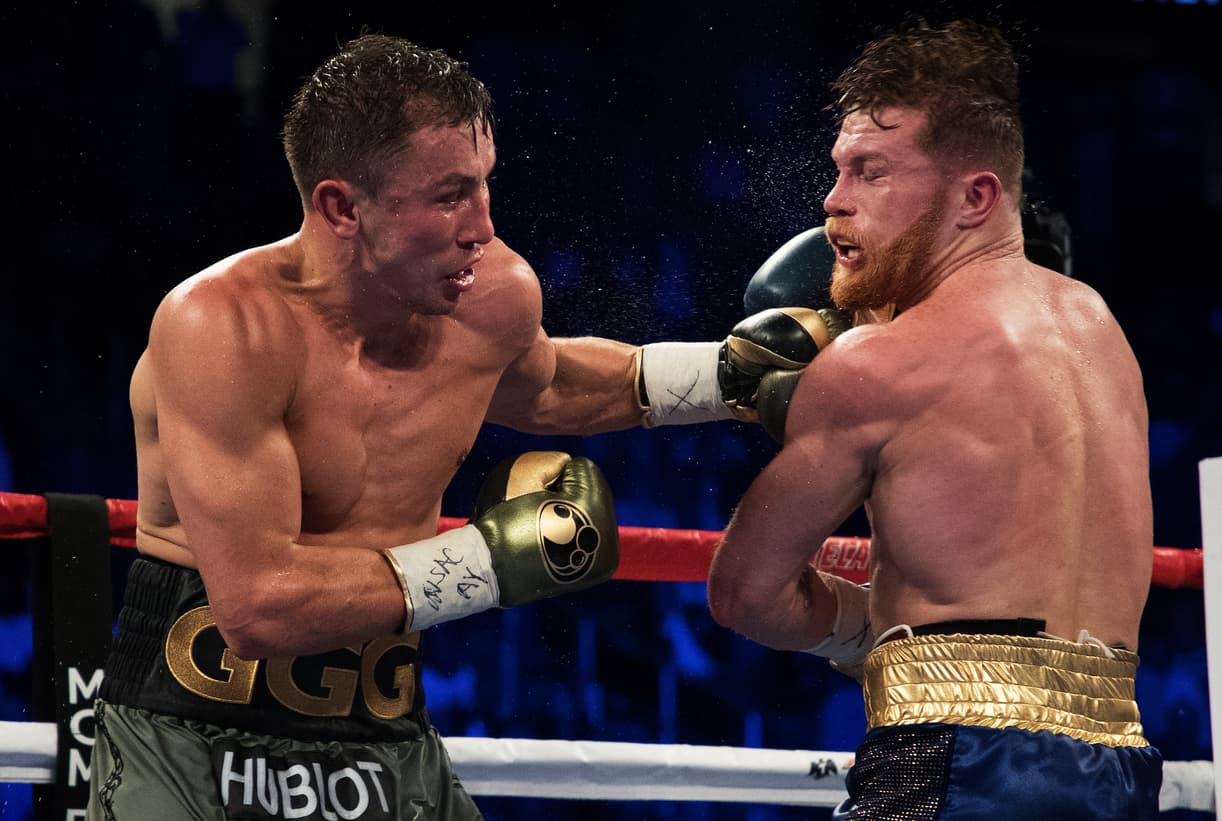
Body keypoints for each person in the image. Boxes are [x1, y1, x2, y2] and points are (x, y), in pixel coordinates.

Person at [86, 32, 839, 820]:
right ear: (342, 207)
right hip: (190, 739)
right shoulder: (224, 328)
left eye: (484, 183)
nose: (482, 225)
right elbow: (257, 607)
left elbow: (546, 385)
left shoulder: (488, 295)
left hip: (382, 732)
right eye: (449, 195)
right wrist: (491, 561)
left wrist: (727, 375)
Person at [706, 19, 1162, 820]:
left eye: (871, 172)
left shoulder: (876, 365)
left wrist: (876, 631)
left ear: (976, 196)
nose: (834, 200)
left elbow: (745, 591)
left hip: (959, 761)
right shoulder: (1103, 332)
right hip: (1120, 769)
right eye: (839, 168)